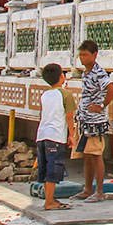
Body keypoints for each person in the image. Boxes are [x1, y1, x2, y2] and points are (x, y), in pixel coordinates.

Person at [72, 39, 113, 203]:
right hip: (85, 119)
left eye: (85, 55)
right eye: (81, 55)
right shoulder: (86, 72)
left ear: (94, 55)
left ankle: (99, 191)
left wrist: (102, 105)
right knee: (88, 155)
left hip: (95, 121)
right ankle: (88, 188)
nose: (82, 58)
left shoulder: (99, 73)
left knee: (96, 155)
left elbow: (112, 89)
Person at [35, 63, 77, 210]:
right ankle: (49, 202)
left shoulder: (45, 94)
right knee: (53, 169)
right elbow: (70, 116)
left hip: (42, 135)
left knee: (45, 168)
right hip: (55, 136)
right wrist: (72, 135)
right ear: (62, 76)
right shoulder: (66, 94)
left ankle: (50, 198)